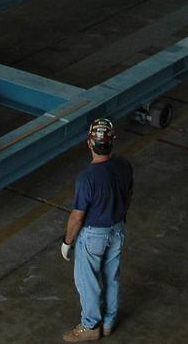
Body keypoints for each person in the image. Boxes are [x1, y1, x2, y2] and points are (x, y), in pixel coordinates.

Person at [60, 118, 134, 342]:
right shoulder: (123, 165)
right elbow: (129, 195)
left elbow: (77, 216)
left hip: (93, 236)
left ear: (89, 143)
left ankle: (91, 325)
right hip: (117, 229)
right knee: (111, 277)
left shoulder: (87, 178)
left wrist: (67, 241)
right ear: (112, 142)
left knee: (87, 280)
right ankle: (109, 323)